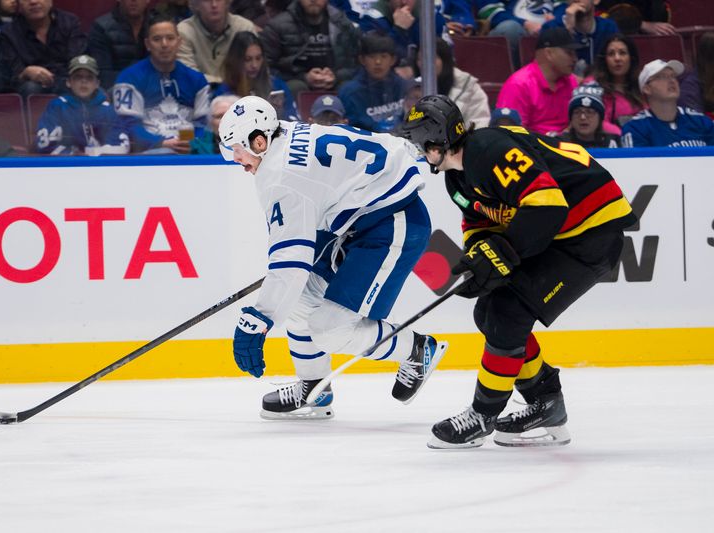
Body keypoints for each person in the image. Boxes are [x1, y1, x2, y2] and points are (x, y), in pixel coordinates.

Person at [401, 94, 637, 448]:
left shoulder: (488, 149)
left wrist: (501, 253)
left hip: (591, 233)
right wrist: (477, 258)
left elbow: (547, 204)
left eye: (420, 143)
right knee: (489, 311)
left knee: (506, 311)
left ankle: (483, 414)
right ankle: (546, 403)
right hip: (560, 233)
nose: (419, 152)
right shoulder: (458, 178)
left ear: (437, 140)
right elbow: (481, 221)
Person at [218, 95, 447, 419]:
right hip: (361, 220)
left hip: (393, 224)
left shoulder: (279, 175)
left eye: (237, 150)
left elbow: (290, 264)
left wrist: (259, 320)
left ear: (258, 141)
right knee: (298, 301)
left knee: (331, 330)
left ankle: (417, 350)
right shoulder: (283, 133)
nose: (237, 161)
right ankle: (315, 387)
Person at [112, 13, 210, 154]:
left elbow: (203, 124)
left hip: (189, 152)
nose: (164, 44)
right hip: (148, 156)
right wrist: (161, 143)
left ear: (179, 42)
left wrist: (187, 141)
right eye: (157, 39)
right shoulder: (129, 78)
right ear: (147, 44)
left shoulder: (197, 80)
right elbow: (129, 126)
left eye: (170, 38)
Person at [34, 55, 130, 156]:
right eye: (78, 77)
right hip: (67, 167)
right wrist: (75, 155)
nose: (84, 81)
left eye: (89, 77)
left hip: (100, 168)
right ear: (68, 82)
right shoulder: (57, 107)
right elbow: (44, 146)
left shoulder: (109, 111)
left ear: (97, 83)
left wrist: (97, 154)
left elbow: (120, 147)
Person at [260, 0, 359, 96]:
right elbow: (267, 67)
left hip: (336, 82)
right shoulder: (277, 27)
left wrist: (336, 76)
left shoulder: (342, 23)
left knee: (349, 88)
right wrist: (304, 78)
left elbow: (357, 62)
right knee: (295, 87)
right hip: (295, 83)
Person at [496, 26, 582, 136]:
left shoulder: (571, 82)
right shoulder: (519, 84)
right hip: (532, 149)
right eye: (569, 53)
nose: (575, 59)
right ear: (549, 53)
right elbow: (510, 134)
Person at [0, 0, 87, 97]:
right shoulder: (9, 33)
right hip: (32, 86)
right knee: (30, 87)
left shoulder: (69, 22)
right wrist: (25, 72)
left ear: (50, 2)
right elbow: (12, 73)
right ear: (19, 4)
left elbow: (77, 60)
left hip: (66, 79)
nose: (33, 1)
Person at [621, 59, 714, 147]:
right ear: (647, 88)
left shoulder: (700, 121)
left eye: (673, 76)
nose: (672, 80)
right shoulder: (636, 128)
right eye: (662, 77)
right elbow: (638, 163)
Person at [213, 31, 298, 121]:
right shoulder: (224, 93)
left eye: (258, 58)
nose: (254, 65)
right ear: (235, 61)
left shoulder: (277, 86)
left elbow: (292, 118)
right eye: (248, 59)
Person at [338, 32, 407, 133]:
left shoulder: (404, 86)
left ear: (392, 60)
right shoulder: (350, 93)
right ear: (362, 60)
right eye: (372, 56)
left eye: (383, 56)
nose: (378, 62)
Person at [175, 0, 258, 84]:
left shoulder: (244, 27)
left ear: (227, 2)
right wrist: (224, 86)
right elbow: (188, 75)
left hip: (242, 92)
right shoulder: (183, 32)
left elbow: (255, 69)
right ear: (196, 5)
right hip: (200, 93)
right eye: (207, 1)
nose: (214, 5)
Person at [416, 38, 490, 128]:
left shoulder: (470, 90)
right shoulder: (412, 88)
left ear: (445, 60)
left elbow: (479, 126)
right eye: (420, 59)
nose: (425, 63)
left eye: (432, 58)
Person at [542, 0, 619, 76]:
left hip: (601, 85)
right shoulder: (550, 28)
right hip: (565, 86)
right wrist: (568, 30)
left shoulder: (608, 27)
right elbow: (547, 72)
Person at [86, 0, 150, 90]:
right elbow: (103, 73)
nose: (133, 1)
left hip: (153, 89)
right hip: (115, 90)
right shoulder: (101, 27)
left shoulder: (157, 25)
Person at [476, 0, 559, 69]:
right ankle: (514, 82)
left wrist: (550, 25)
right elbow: (489, 11)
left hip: (549, 33)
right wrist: (525, 24)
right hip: (515, 33)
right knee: (509, 28)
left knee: (564, 35)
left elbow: (564, 13)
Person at [586, 33, 643, 133]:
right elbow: (594, 120)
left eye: (622, 53)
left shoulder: (641, 84)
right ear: (605, 60)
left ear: (631, 58)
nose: (617, 58)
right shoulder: (592, 85)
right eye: (611, 54)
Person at [356, 0, 446, 60]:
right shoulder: (372, 19)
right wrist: (399, 30)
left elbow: (446, 60)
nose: (404, 1)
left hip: (424, 79)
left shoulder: (432, 17)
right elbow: (377, 62)